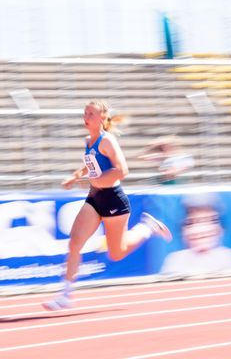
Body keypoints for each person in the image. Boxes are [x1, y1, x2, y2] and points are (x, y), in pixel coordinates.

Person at [43, 100, 173, 310]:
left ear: (102, 118)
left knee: (116, 253)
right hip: (94, 200)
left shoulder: (108, 141)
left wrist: (97, 181)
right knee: (75, 242)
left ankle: (147, 228)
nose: (86, 118)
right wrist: (75, 176)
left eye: (91, 114)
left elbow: (122, 170)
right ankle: (65, 295)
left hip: (113, 200)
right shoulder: (88, 140)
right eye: (85, 114)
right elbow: (91, 164)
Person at [160, 192, 231, 275]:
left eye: (210, 220)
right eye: (192, 222)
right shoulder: (174, 261)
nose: (201, 229)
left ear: (220, 229)